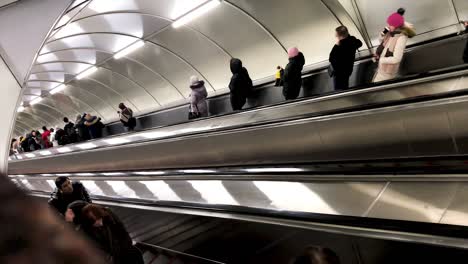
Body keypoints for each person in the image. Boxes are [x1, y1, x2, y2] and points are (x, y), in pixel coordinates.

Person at [0, 175, 106, 264]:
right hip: (73, 221)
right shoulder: (54, 202)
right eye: (65, 186)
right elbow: (61, 221)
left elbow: (88, 201)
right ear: (60, 189)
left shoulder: (78, 186)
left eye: (69, 183)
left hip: (85, 212)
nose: (69, 186)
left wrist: (92, 213)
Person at [373, 11, 416, 82]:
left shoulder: (401, 37)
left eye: (390, 24)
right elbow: (381, 41)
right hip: (380, 69)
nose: (388, 25)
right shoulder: (390, 32)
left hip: (387, 73)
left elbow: (396, 58)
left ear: (397, 26)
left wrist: (381, 60)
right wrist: (383, 34)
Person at [329, 26, 363, 90]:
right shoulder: (352, 40)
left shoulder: (340, 45)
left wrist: (336, 45)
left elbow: (331, 58)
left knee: (339, 90)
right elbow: (360, 43)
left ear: (339, 35)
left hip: (339, 72)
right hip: (348, 70)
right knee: (345, 88)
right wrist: (349, 36)